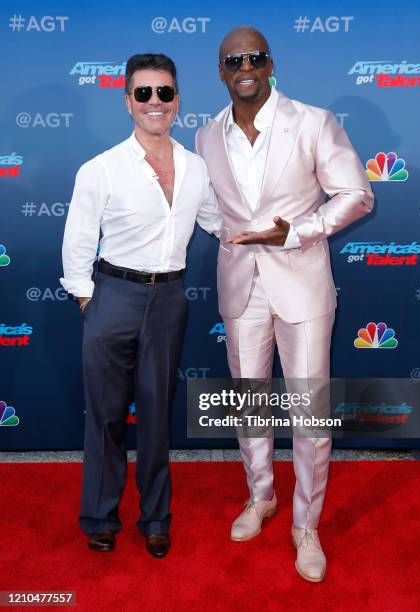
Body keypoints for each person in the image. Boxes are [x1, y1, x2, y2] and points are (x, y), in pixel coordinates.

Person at [196, 27, 374, 582]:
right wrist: (231, 235)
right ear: (220, 72)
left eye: (254, 57)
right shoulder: (205, 136)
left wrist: (295, 232)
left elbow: (357, 194)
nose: (244, 66)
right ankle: (261, 497)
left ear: (270, 64)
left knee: (309, 415)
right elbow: (207, 206)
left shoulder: (314, 122)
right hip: (239, 287)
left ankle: (306, 525)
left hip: (301, 287)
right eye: (233, 60)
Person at [60, 53, 221, 557]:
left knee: (156, 413)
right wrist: (90, 302)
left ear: (177, 101)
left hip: (170, 299)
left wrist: (284, 226)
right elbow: (78, 242)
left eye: (165, 93)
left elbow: (220, 222)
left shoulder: (197, 168)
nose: (156, 102)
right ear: (128, 100)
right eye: (144, 93)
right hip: (112, 296)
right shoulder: (100, 169)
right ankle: (100, 518)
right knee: (106, 416)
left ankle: (155, 518)